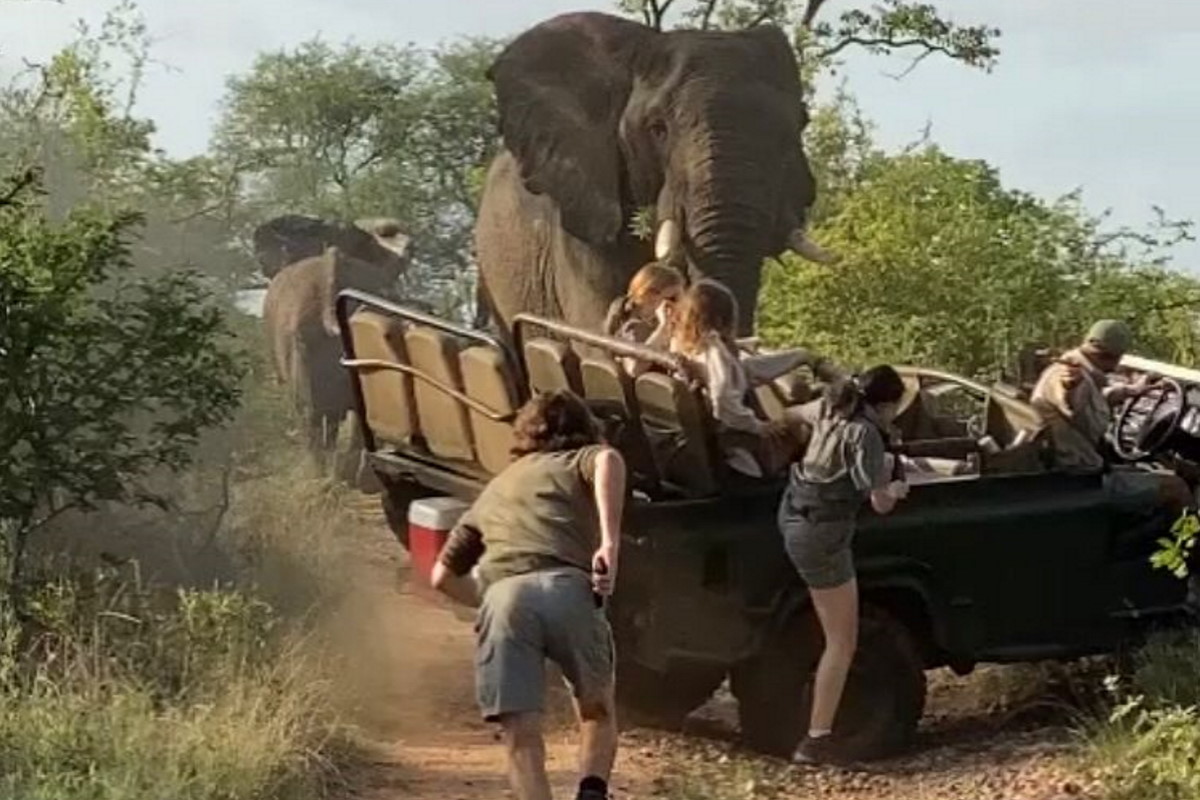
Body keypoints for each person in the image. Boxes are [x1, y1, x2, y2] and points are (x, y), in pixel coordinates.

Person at [430, 390, 627, 800]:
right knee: (596, 709)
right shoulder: (583, 458)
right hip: (566, 589)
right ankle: (592, 792)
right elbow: (607, 460)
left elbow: (441, 576)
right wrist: (608, 544)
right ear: (585, 429)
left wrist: (488, 599)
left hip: (503, 599)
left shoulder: (496, 487)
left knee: (521, 734)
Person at [776, 366, 910, 765]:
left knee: (836, 636)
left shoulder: (828, 408)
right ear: (885, 404)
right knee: (842, 641)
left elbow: (788, 415)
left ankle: (816, 734)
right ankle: (815, 740)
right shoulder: (866, 433)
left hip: (793, 514)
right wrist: (897, 486)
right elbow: (879, 502)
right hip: (823, 536)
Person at [668, 278, 827, 478]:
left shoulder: (685, 344)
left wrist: (798, 357)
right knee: (799, 422)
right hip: (733, 441)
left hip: (713, 434)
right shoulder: (714, 353)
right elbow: (723, 399)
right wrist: (758, 427)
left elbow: (744, 371)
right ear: (721, 319)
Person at [1030, 319, 1191, 510]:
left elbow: (1093, 402)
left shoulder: (1082, 375)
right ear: (1109, 355)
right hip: (1080, 480)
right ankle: (1188, 538)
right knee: (1175, 487)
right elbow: (1071, 406)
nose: (1116, 367)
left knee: (1150, 471)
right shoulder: (1070, 376)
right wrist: (1068, 387)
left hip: (1075, 468)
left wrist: (1131, 391)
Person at [602, 261, 686, 346]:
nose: (679, 305)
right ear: (649, 295)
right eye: (673, 299)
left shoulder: (658, 322)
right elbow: (638, 356)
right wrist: (663, 327)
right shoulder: (631, 326)